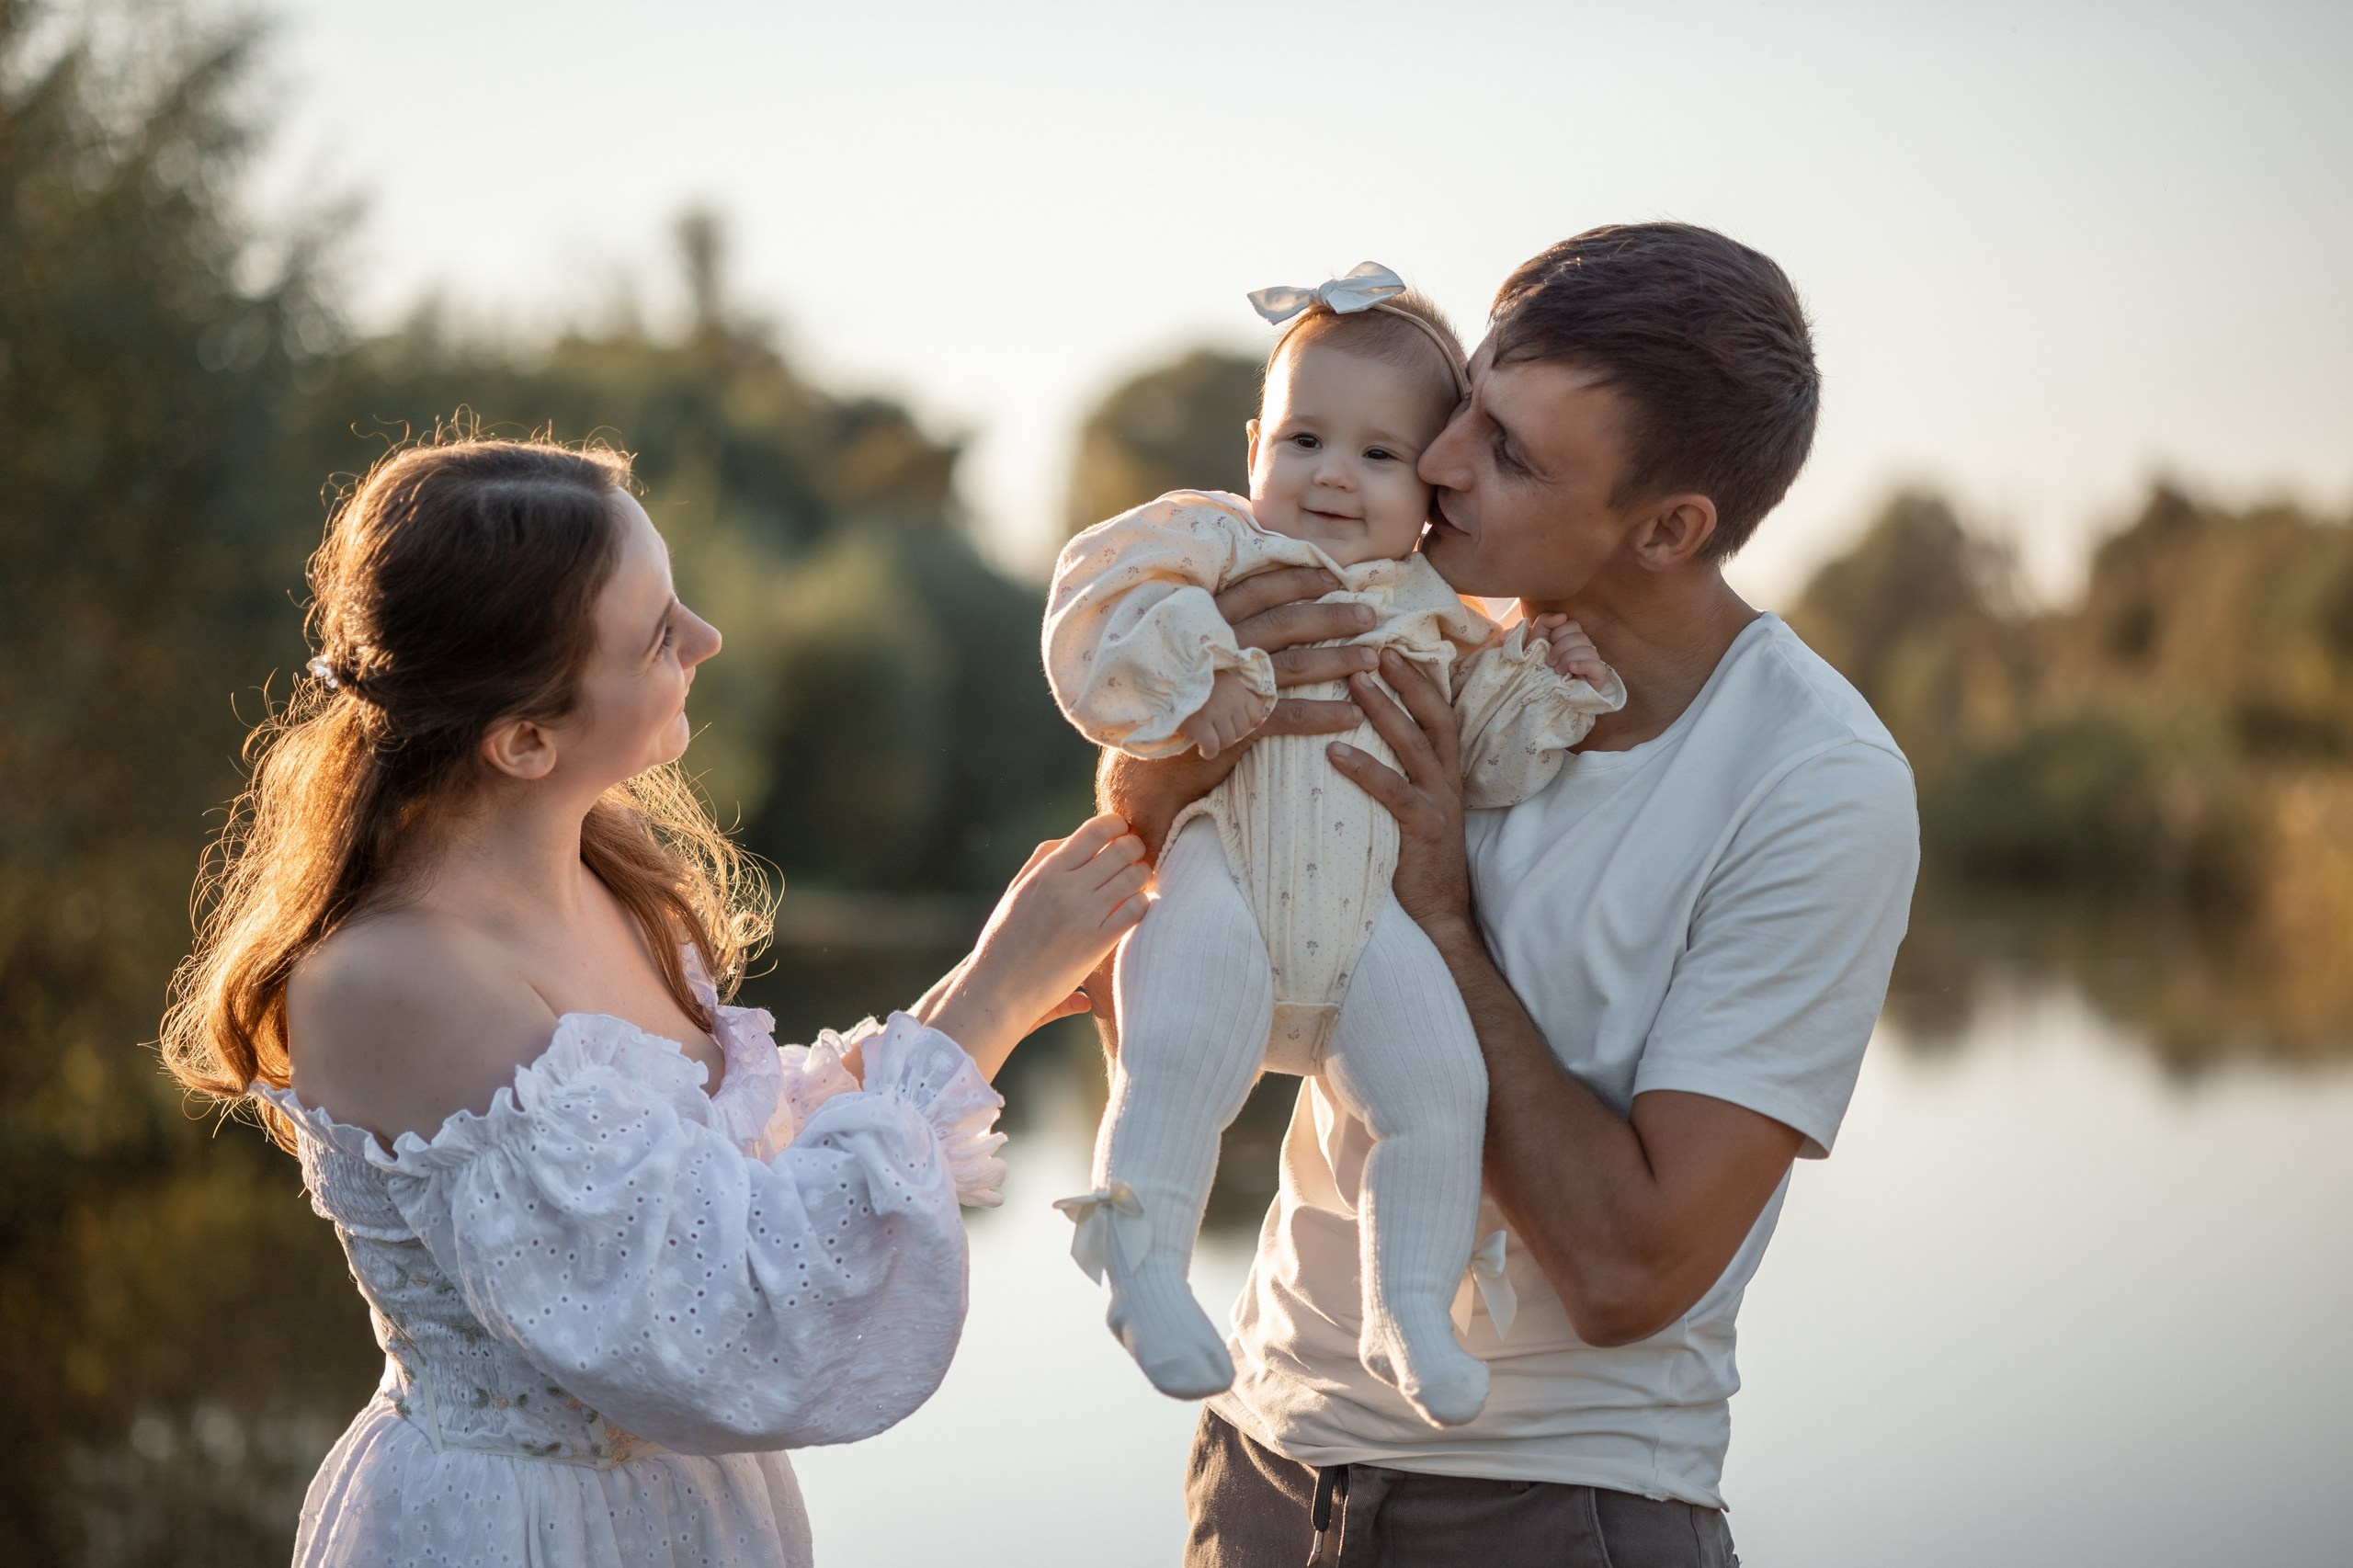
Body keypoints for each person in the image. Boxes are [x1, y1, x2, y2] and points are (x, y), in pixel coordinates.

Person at [160, 437, 1150, 1568]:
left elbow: (718, 1184)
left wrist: (986, 994)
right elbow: (726, 1319)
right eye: (658, 633)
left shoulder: (606, 878)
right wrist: (986, 1003)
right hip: (522, 1527)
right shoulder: (399, 977)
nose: (707, 637)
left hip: (685, 1516)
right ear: (525, 738)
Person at [1097, 223, 1921, 1567]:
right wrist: (1192, 735)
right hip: (1260, 1468)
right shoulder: (1424, 635)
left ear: (1669, 527)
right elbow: (1138, 943)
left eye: (1512, 455)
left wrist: (1441, 920)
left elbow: (1628, 1271)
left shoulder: (1814, 784)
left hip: (1557, 1505)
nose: (1436, 460)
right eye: (1471, 405)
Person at [1041, 265, 1620, 1426]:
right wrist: (1197, 659)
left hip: (1369, 924)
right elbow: (1090, 623)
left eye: (1378, 453)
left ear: (1432, 488)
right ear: (1254, 444)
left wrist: (1542, 687)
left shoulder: (1441, 612)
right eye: (1304, 438)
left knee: (1440, 1093)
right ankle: (1144, 1263)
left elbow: (1487, 765)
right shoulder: (1215, 548)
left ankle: (1407, 1306)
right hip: (1228, 875)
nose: (1333, 474)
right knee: (1176, 1048)